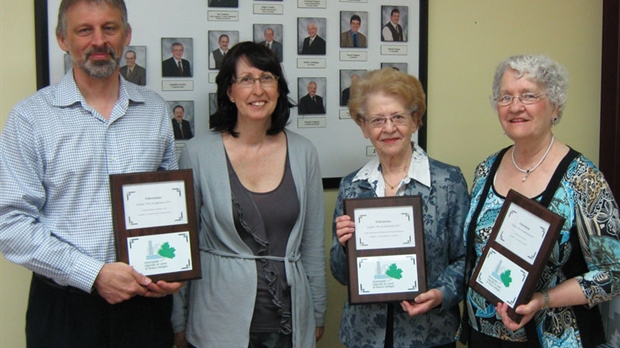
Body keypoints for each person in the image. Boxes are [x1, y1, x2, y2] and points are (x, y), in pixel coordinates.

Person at [0, 0, 182, 347]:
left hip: (144, 304)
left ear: (126, 35)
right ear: (62, 39)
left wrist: (172, 268)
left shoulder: (154, 110)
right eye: (85, 30)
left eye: (109, 28)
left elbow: (170, 203)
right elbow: (10, 223)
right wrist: (93, 274)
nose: (99, 41)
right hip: (64, 307)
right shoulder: (30, 118)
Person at [171, 41, 327, 348]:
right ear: (230, 92)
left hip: (288, 321)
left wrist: (318, 313)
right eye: (246, 79)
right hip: (217, 320)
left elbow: (312, 243)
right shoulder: (197, 154)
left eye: (267, 78)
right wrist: (178, 319)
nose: (258, 90)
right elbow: (182, 246)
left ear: (279, 88)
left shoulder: (303, 152)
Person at [458, 54, 620, 347]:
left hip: (554, 337)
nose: (515, 106)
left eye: (528, 95)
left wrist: (542, 300)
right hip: (483, 335)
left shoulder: (583, 179)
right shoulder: (486, 169)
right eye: (506, 97)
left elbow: (615, 273)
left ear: (555, 106)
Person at [330, 68, 470, 348]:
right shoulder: (352, 187)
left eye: (398, 117)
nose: (389, 128)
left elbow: (467, 258)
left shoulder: (448, 181)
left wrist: (442, 294)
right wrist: (344, 246)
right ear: (364, 126)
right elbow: (341, 274)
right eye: (378, 120)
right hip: (365, 336)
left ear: (415, 120)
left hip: (429, 334)